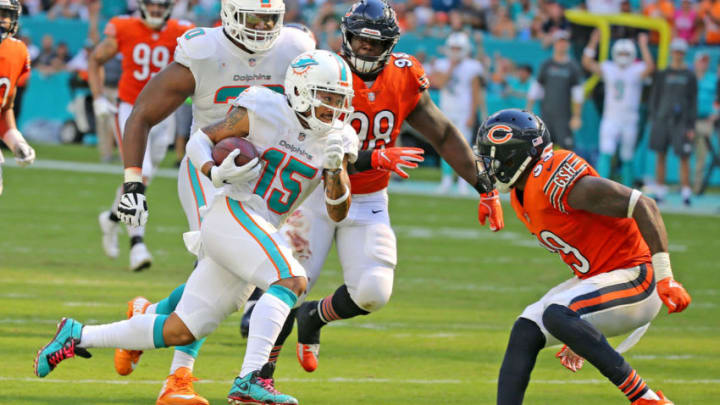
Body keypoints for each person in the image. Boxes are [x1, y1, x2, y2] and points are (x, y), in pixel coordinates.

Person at [33, 49, 358, 405]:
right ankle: (252, 379)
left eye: (340, 100)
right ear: (300, 89)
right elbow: (200, 140)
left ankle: (77, 335)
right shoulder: (265, 107)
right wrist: (213, 172)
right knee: (291, 280)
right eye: (327, 97)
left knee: (182, 328)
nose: (334, 108)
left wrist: (333, 171)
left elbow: (338, 211)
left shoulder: (338, 138)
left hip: (258, 229)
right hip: (232, 213)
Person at [262, 0, 502, 374]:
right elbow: (308, 146)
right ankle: (260, 375)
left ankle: (314, 319)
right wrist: (373, 157)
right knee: (291, 283)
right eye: (360, 41)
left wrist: (483, 186)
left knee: (373, 292)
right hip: (317, 190)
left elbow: (440, 131)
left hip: (369, 196)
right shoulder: (327, 71)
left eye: (375, 44)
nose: (366, 49)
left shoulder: (405, 75)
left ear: (391, 44)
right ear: (347, 37)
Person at [106, 2, 316, 403]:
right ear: (231, 15)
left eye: (269, 20)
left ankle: (147, 316)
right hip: (209, 166)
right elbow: (142, 114)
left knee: (230, 284)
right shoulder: (204, 51)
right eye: (253, 18)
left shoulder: (296, 48)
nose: (261, 28)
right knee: (215, 263)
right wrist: (133, 180)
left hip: (265, 174)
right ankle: (178, 379)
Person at [473, 109, 691, 405]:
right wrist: (581, 330)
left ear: (516, 156)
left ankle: (646, 399)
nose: (488, 166)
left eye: (494, 157)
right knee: (526, 328)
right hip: (605, 278)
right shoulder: (519, 197)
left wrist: (665, 276)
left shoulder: (553, 175)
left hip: (639, 276)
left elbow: (643, 204)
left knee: (557, 313)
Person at [91, 0, 194, 271]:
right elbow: (96, 58)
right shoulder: (125, 27)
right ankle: (137, 243)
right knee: (140, 171)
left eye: (162, 5)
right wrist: (99, 97)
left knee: (144, 177)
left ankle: (112, 219)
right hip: (131, 109)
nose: (157, 10)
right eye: (152, 4)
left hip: (164, 111)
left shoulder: (180, 31)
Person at [582, 31, 654, 185]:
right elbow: (587, 62)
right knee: (606, 154)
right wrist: (593, 41)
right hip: (611, 118)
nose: (623, 55)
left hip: (629, 119)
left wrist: (643, 45)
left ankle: (627, 191)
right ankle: (600, 188)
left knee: (627, 157)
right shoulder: (609, 67)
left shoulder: (637, 68)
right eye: (620, 52)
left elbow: (650, 67)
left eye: (626, 52)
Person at [431, 31, 487, 195]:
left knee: (464, 148)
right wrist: (451, 66)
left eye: (458, 48)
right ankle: (446, 180)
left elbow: (476, 93)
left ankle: (464, 181)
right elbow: (440, 83)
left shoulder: (473, 66)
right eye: (453, 48)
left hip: (463, 112)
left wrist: (472, 114)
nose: (455, 51)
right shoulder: (441, 64)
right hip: (446, 111)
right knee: (445, 147)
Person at [648, 38, 697, 206]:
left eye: (681, 52)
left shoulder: (690, 76)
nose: (678, 55)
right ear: (671, 53)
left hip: (681, 123)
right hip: (662, 121)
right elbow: (655, 98)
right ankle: (661, 191)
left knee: (684, 157)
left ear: (684, 54)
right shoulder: (663, 74)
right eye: (675, 51)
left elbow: (693, 102)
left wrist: (691, 125)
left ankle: (686, 193)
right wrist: (654, 118)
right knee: (660, 155)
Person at [0, 0, 36, 196]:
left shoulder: (18, 51)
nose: (1, 20)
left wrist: (16, 141)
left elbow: (4, 108)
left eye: (5, 14)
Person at [527, 30, 583, 150]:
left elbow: (578, 94)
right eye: (559, 42)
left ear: (568, 44)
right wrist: (528, 112)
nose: (562, 45)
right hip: (546, 117)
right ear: (555, 44)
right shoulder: (546, 65)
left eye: (564, 42)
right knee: (542, 150)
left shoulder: (573, 67)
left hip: (564, 118)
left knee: (566, 152)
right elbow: (535, 90)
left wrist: (577, 116)